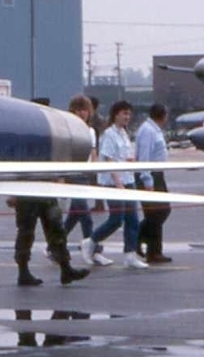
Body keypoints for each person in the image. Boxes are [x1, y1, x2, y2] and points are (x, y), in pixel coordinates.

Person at [91, 100, 146, 269]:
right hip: (114, 182)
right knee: (116, 219)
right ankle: (91, 241)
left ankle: (130, 254)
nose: (127, 117)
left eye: (129, 114)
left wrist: (131, 162)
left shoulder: (124, 133)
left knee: (133, 220)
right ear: (116, 115)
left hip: (128, 179)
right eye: (124, 113)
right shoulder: (109, 134)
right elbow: (108, 159)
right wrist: (117, 182)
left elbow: (123, 156)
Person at [61, 94, 99, 263]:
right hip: (74, 175)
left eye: (84, 110)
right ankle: (90, 247)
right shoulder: (68, 130)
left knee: (73, 216)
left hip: (85, 175)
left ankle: (54, 245)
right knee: (85, 215)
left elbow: (93, 153)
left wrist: (95, 174)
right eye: (78, 110)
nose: (82, 113)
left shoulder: (91, 131)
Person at [136, 102, 172, 263]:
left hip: (158, 174)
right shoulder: (148, 131)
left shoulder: (153, 129)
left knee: (161, 211)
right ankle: (140, 238)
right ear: (163, 115)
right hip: (150, 175)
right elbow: (144, 156)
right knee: (157, 212)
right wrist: (147, 179)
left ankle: (151, 247)